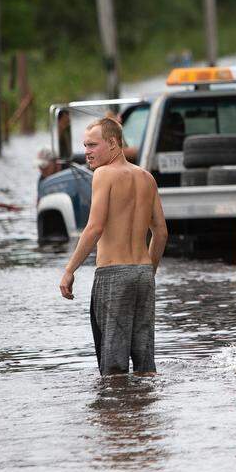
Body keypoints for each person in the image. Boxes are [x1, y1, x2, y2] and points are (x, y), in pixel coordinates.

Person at [59, 117, 168, 375]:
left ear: (113, 143)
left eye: (92, 145)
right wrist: (148, 271)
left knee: (113, 367)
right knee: (145, 364)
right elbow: (161, 233)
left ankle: (115, 415)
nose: (87, 152)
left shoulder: (103, 174)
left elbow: (95, 227)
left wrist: (69, 269)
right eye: (85, 146)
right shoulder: (146, 177)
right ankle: (144, 412)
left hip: (113, 274)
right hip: (142, 274)